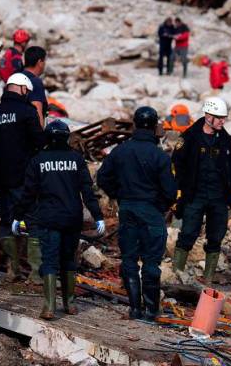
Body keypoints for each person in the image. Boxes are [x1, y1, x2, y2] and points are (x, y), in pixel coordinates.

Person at [14, 120, 104, 319]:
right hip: (72, 218)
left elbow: (28, 194)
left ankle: (49, 308)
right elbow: (87, 191)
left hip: (48, 219)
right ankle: (70, 304)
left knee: (49, 261)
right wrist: (98, 216)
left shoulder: (37, 160)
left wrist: (17, 217)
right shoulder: (77, 159)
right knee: (68, 260)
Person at [97, 107, 176, 321]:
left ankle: (134, 308)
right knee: (151, 262)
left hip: (128, 209)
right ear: (154, 127)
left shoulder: (121, 151)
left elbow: (102, 177)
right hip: (151, 211)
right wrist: (159, 206)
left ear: (135, 125)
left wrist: (119, 196)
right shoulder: (160, 156)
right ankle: (150, 311)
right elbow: (170, 191)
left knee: (130, 258)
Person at [171, 97, 231, 284]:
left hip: (218, 197)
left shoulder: (225, 140)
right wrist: (177, 194)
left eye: (224, 118)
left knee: (215, 237)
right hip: (195, 195)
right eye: (219, 118)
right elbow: (176, 166)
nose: (222, 121)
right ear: (208, 116)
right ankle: (176, 274)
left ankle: (208, 278)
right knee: (187, 234)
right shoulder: (189, 137)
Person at [0, 73, 45, 283]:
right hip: (24, 180)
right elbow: (40, 142)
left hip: (0, 181)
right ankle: (36, 273)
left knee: (7, 223)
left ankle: (13, 270)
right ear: (21, 88)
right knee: (34, 222)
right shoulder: (27, 112)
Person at [22, 46, 48, 127]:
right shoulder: (35, 82)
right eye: (44, 61)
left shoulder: (15, 78)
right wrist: (39, 137)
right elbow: (37, 112)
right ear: (40, 62)